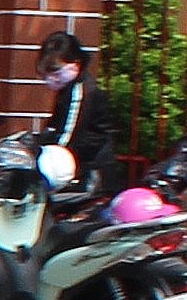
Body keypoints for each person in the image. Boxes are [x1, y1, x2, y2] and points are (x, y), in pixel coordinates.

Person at [35, 30, 133, 188]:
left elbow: (69, 133)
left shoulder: (81, 91)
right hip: (81, 164)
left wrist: (46, 155)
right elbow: (56, 125)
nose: (51, 79)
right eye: (46, 74)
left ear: (75, 64)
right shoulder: (68, 89)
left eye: (56, 72)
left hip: (93, 171)